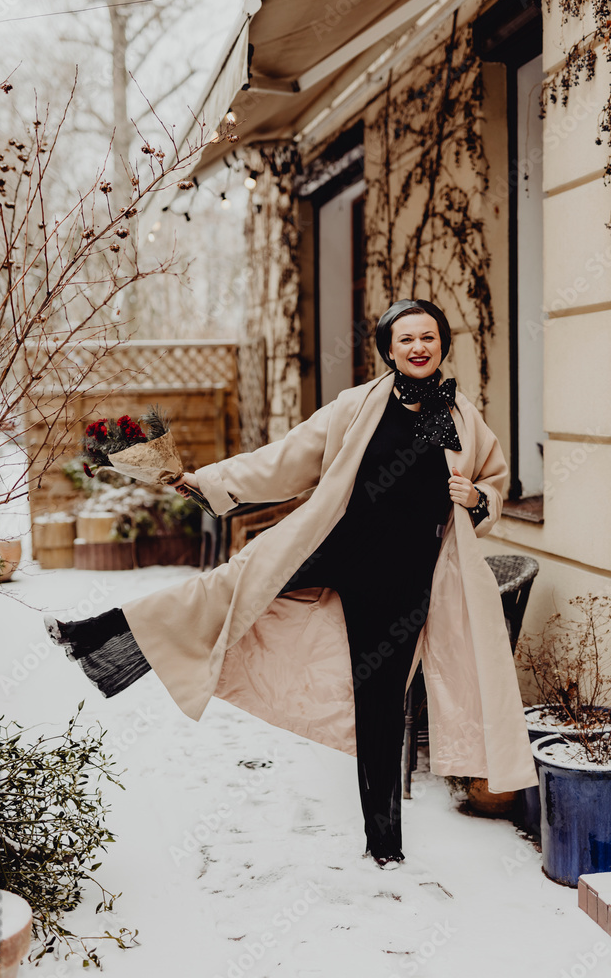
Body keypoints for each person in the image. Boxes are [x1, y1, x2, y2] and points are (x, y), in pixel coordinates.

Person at [45, 299, 538, 869]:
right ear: (389, 349)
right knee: (229, 588)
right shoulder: (357, 406)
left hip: (405, 579)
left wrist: (479, 499)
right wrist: (205, 480)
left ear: (442, 345)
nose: (418, 347)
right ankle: (100, 633)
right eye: (406, 339)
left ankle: (385, 846)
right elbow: (284, 460)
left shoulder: (463, 419)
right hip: (332, 547)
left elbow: (494, 485)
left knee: (379, 704)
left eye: (428, 337)